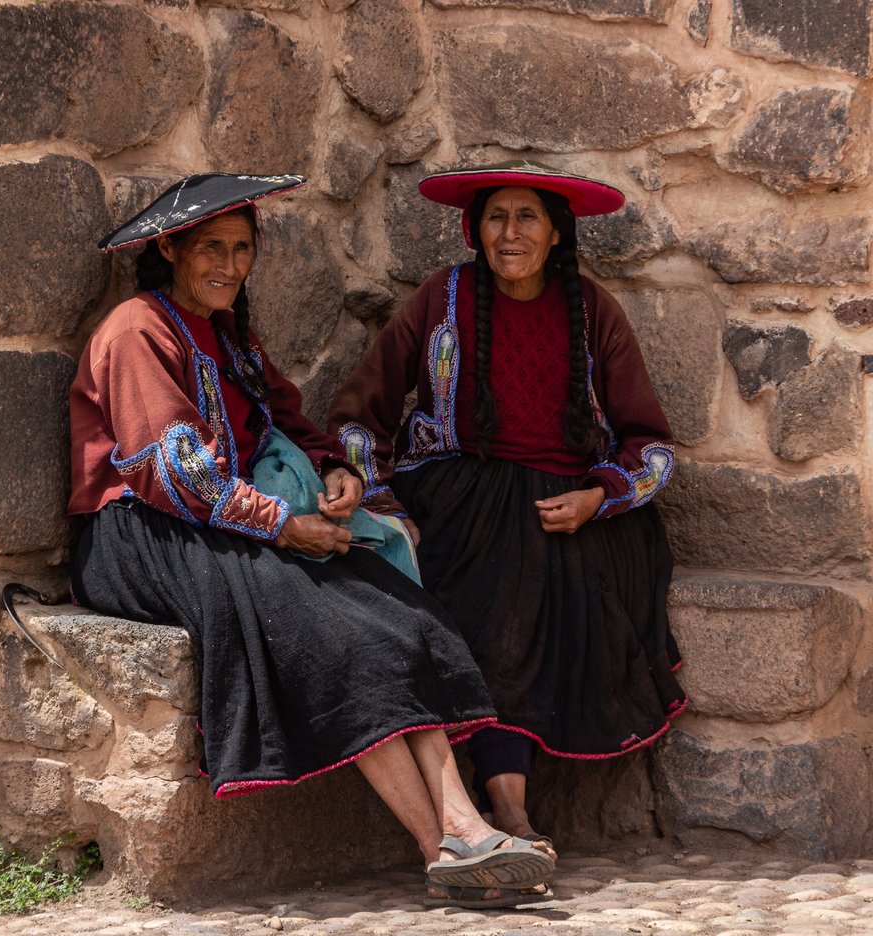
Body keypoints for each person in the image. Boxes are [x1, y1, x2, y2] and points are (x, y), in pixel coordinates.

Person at [68, 173, 554, 908]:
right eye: (212, 249)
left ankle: (465, 830)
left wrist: (336, 471)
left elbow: (290, 422)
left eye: (241, 249)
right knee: (333, 631)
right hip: (139, 535)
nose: (229, 265)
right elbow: (176, 473)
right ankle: (441, 847)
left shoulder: (231, 336)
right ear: (170, 249)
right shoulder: (140, 329)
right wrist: (283, 526)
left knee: (399, 616)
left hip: (223, 522)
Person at [327, 159, 687, 847]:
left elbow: (652, 446)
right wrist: (381, 501)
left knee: (534, 587)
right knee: (492, 594)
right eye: (497, 217)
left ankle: (506, 806)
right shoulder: (442, 299)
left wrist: (598, 497)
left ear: (556, 233)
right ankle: (506, 808)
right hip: (459, 500)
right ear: (475, 229)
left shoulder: (593, 312)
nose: (510, 232)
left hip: (571, 509)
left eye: (528, 218)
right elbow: (358, 415)